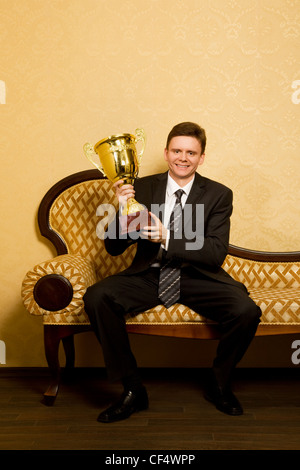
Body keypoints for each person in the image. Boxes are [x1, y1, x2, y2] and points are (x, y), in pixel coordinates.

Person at [83, 122, 261, 422]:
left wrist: (166, 236)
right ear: (166, 153)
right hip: (150, 275)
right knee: (98, 296)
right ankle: (132, 389)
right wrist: (123, 208)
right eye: (177, 150)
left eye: (191, 152)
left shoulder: (219, 194)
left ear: (201, 157)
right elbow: (113, 247)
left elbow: (215, 253)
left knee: (246, 311)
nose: (183, 157)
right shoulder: (141, 187)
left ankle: (218, 384)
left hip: (197, 276)